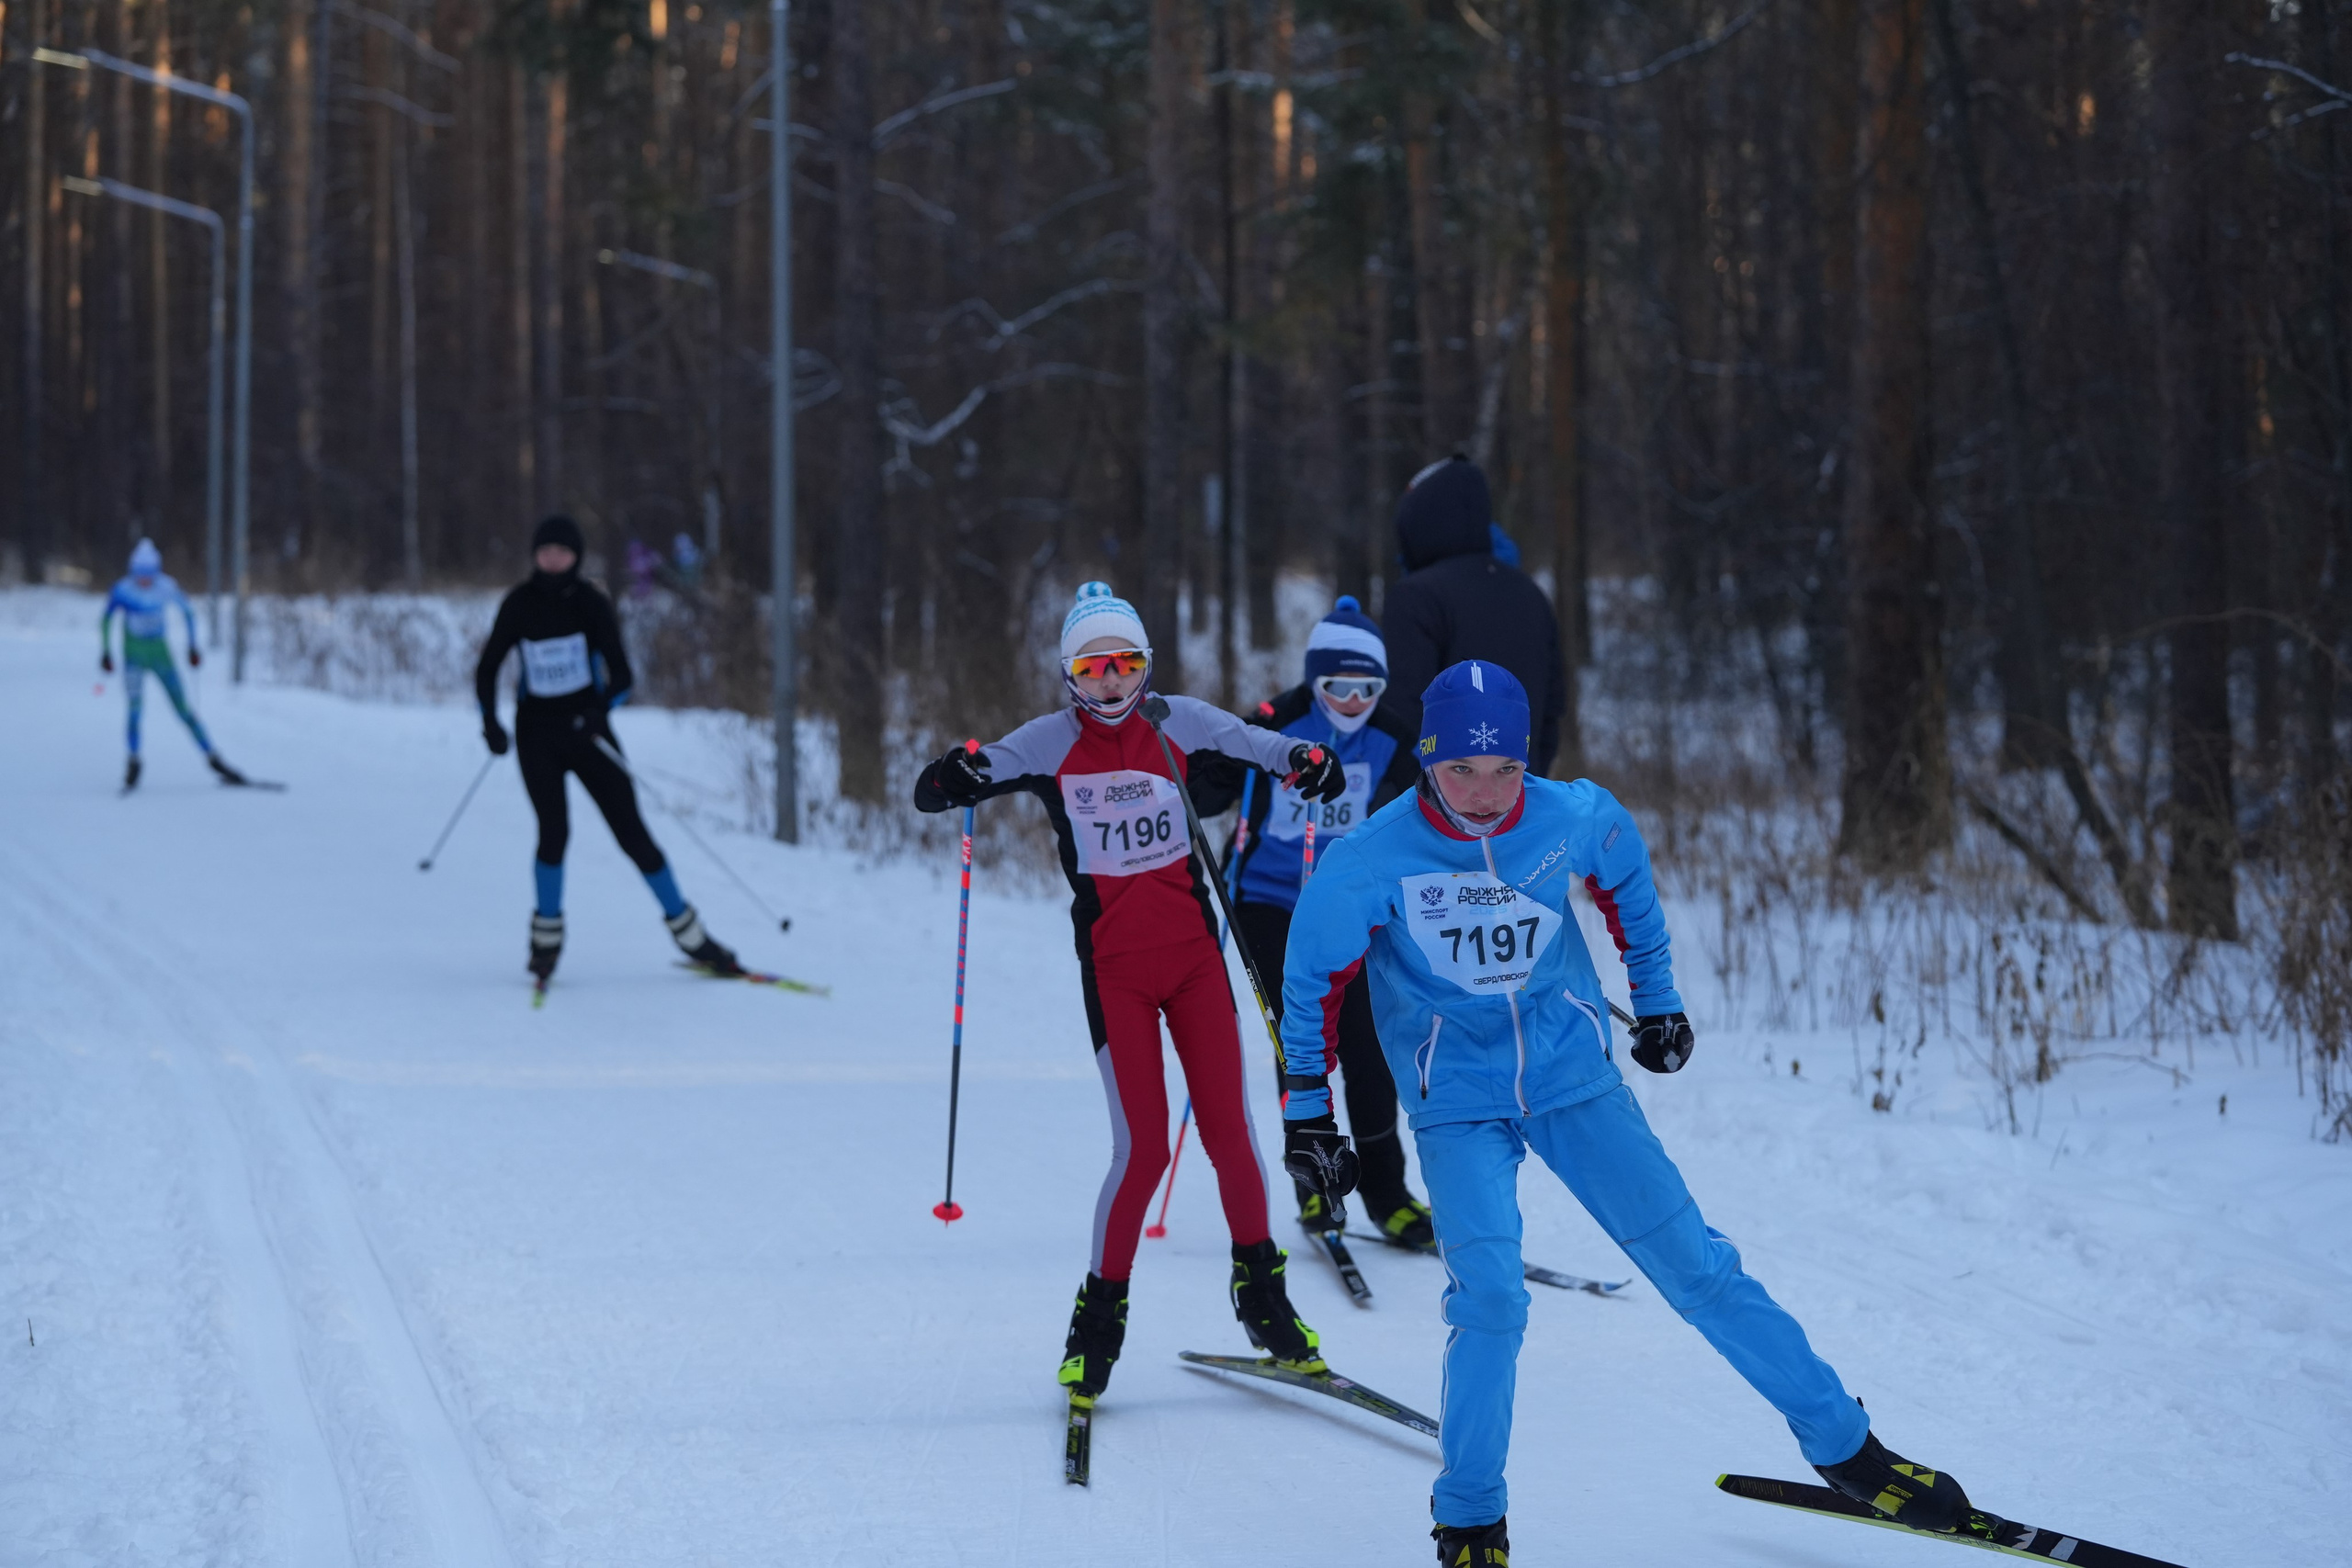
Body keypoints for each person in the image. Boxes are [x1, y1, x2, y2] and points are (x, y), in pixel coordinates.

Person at [1273, 660, 1968, 1566]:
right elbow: (1308, 987)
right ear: (1426, 762)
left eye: (1503, 773)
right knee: (1488, 1301)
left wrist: (1660, 1000)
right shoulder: (1370, 860)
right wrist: (1309, 1119)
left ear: (1526, 763)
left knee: (1700, 1271)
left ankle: (1848, 1448)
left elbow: (1626, 884)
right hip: (1457, 1107)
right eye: (1458, 773)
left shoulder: (1576, 817)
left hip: (1574, 1083)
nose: (1482, 796)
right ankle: (1470, 1516)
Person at [912, 581, 1350, 1410]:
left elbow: (1266, 747)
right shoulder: (1047, 741)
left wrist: (1308, 761)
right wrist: (954, 772)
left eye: (1127, 664)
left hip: (1193, 968)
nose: (1112, 682)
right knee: (1142, 1150)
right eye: (1093, 667)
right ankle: (1097, 1321)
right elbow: (944, 787)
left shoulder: (1178, 721)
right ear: (1070, 676)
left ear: (1146, 667)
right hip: (1115, 974)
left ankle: (1263, 1297)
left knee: (1231, 1133)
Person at [1192, 596, 1431, 1246]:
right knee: (1301, 1048)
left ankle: (1387, 1192)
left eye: (1366, 687)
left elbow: (1424, 808)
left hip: (1349, 907)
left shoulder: (1391, 735)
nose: (1351, 701)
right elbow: (1208, 792)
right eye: (1336, 686)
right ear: (1313, 681)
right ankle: (1316, 1187)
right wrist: (1215, 760)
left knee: (1370, 1051)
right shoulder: (1281, 721)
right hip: (1270, 904)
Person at [473, 514, 741, 984]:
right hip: (537, 737)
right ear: (535, 554)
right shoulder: (519, 603)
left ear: (575, 556)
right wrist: (491, 724)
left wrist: (598, 712)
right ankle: (545, 944)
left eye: (562, 550)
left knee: (633, 834)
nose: (553, 558)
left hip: (588, 734)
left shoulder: (592, 603)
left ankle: (692, 936)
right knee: (553, 833)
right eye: (545, 550)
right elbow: (488, 668)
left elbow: (623, 676)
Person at [1383, 457, 1567, 774]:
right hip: (1520, 799)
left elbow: (1401, 714)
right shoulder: (1530, 593)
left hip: (1439, 809)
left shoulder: (1415, 597)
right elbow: (1551, 713)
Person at [100, 537, 248, 792]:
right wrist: (106, 652)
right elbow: (107, 619)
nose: (145, 581)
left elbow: (188, 613)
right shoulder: (123, 589)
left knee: (184, 710)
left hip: (161, 657)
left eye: (149, 575)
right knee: (135, 710)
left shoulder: (166, 587)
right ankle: (133, 761)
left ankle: (213, 757)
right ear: (133, 571)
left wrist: (193, 646)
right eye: (140, 575)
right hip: (134, 657)